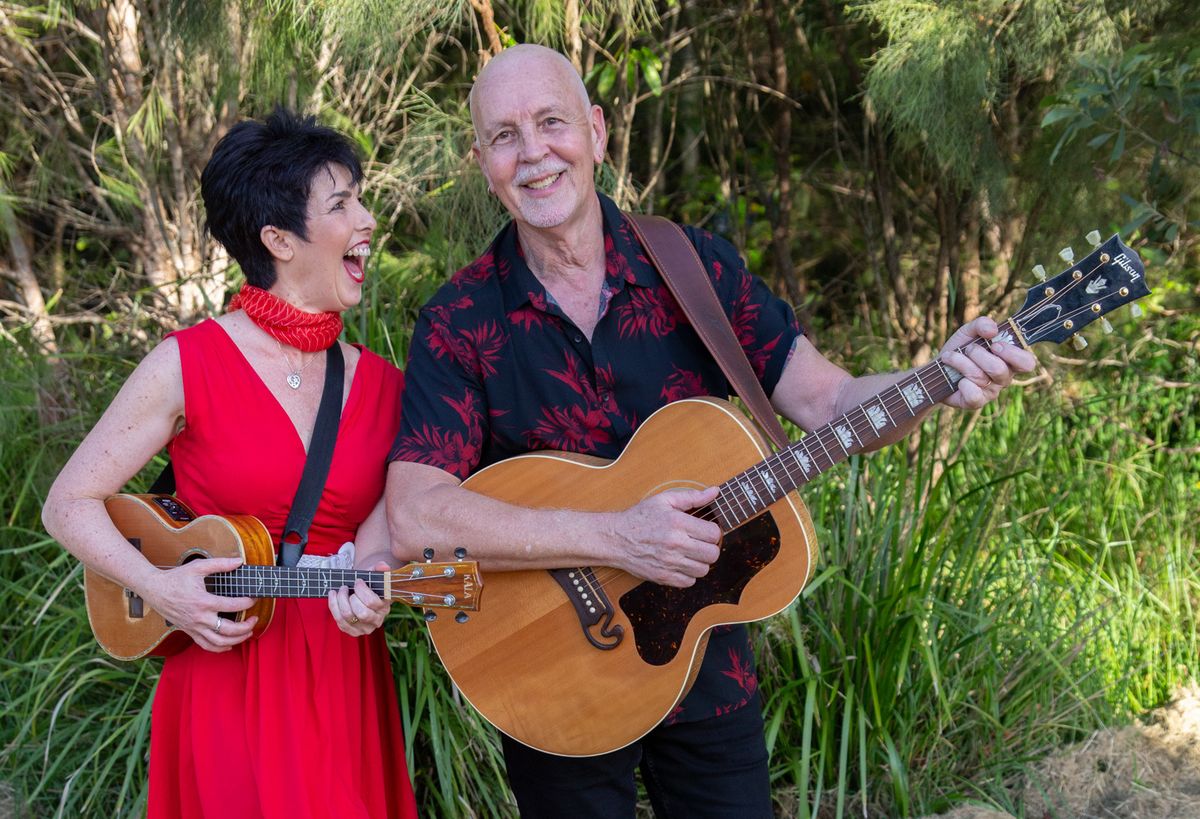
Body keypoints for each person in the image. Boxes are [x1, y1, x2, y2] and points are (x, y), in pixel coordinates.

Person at [385, 44, 1037, 818]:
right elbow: (416, 515)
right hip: (549, 674)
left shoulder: (692, 268)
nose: (534, 153)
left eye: (552, 122)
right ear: (482, 161)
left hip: (709, 671)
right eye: (504, 135)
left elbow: (830, 402)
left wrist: (937, 378)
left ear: (595, 132)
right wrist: (614, 537)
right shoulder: (459, 321)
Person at [42, 109, 418, 818]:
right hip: (225, 673)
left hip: (344, 676)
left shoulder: (386, 385)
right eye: (342, 204)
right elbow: (67, 504)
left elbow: (382, 524)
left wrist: (371, 581)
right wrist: (161, 587)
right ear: (278, 238)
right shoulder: (187, 365)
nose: (368, 218)